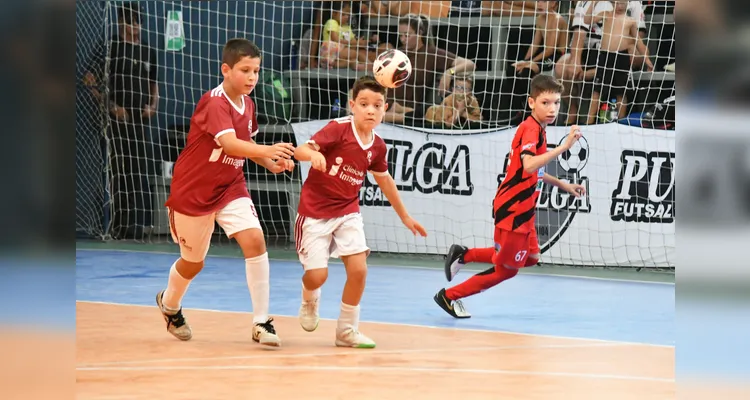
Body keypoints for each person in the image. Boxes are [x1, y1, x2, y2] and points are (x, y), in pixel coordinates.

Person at [155, 39, 296, 347]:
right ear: (226, 69)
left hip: (231, 185)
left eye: (256, 71)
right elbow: (231, 144)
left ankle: (261, 321)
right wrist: (268, 148)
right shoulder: (215, 102)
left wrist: (270, 161)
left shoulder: (249, 105)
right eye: (245, 70)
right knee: (194, 263)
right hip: (194, 191)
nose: (252, 77)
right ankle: (169, 304)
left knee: (255, 240)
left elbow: (247, 149)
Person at [434, 75, 586, 318]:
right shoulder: (530, 129)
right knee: (506, 270)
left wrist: (563, 184)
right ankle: (449, 296)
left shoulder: (540, 130)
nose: (552, 108)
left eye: (556, 102)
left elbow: (534, 171)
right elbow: (528, 165)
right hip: (513, 212)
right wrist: (564, 147)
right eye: (545, 102)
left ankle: (464, 254)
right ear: (531, 103)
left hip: (525, 211)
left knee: (532, 257)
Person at [293, 75, 427, 347]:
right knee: (318, 276)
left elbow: (385, 180)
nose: (370, 110)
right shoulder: (337, 129)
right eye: (364, 104)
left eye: (377, 105)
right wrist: (313, 154)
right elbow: (299, 151)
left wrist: (405, 216)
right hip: (314, 211)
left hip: (347, 211)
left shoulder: (377, 145)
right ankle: (309, 297)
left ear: (385, 109)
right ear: (352, 105)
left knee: (359, 271)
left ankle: (346, 331)